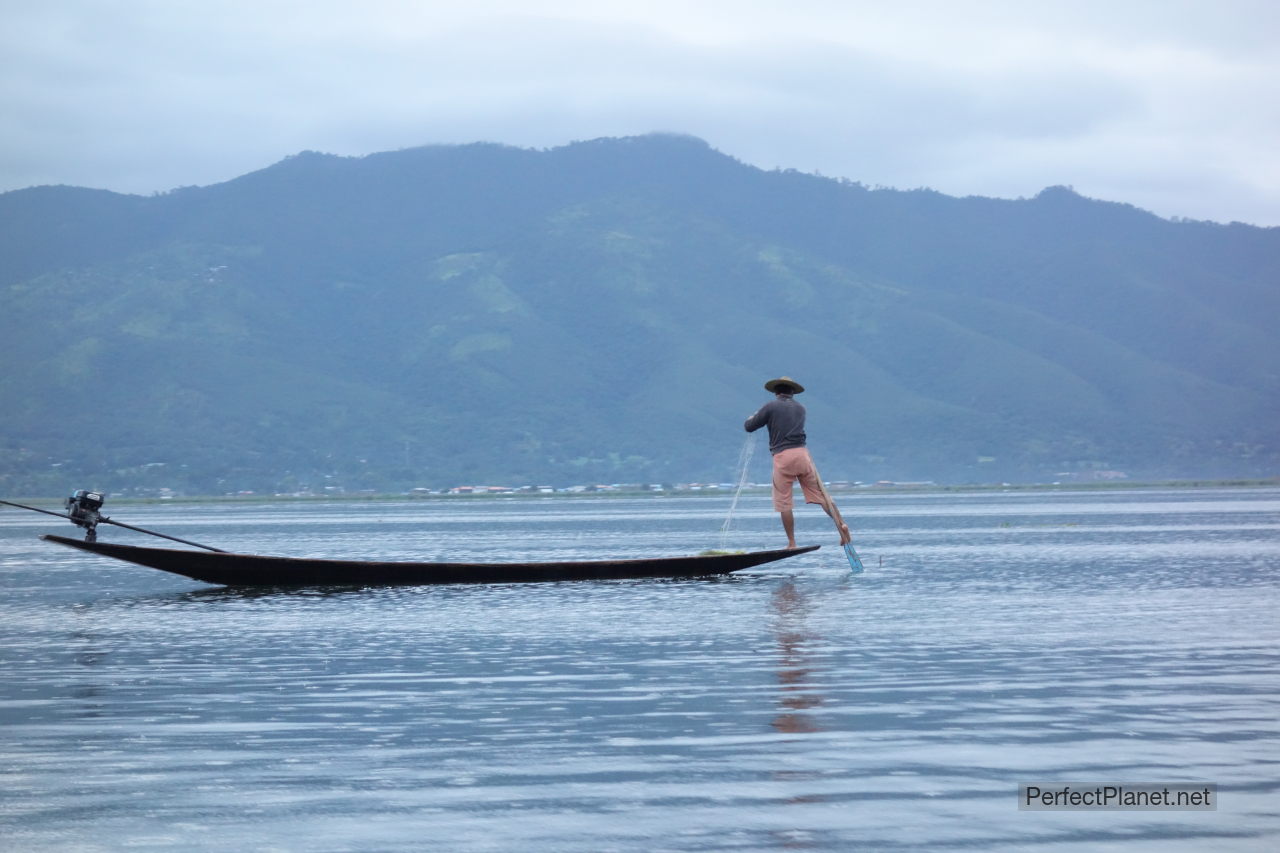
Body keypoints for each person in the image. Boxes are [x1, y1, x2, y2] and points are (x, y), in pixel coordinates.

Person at [744, 376, 851, 549]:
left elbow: (750, 426)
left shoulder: (771, 406)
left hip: (783, 456)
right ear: (792, 392)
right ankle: (841, 525)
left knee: (784, 501)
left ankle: (792, 542)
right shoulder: (801, 408)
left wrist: (752, 417)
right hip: (803, 454)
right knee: (821, 495)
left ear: (777, 392)